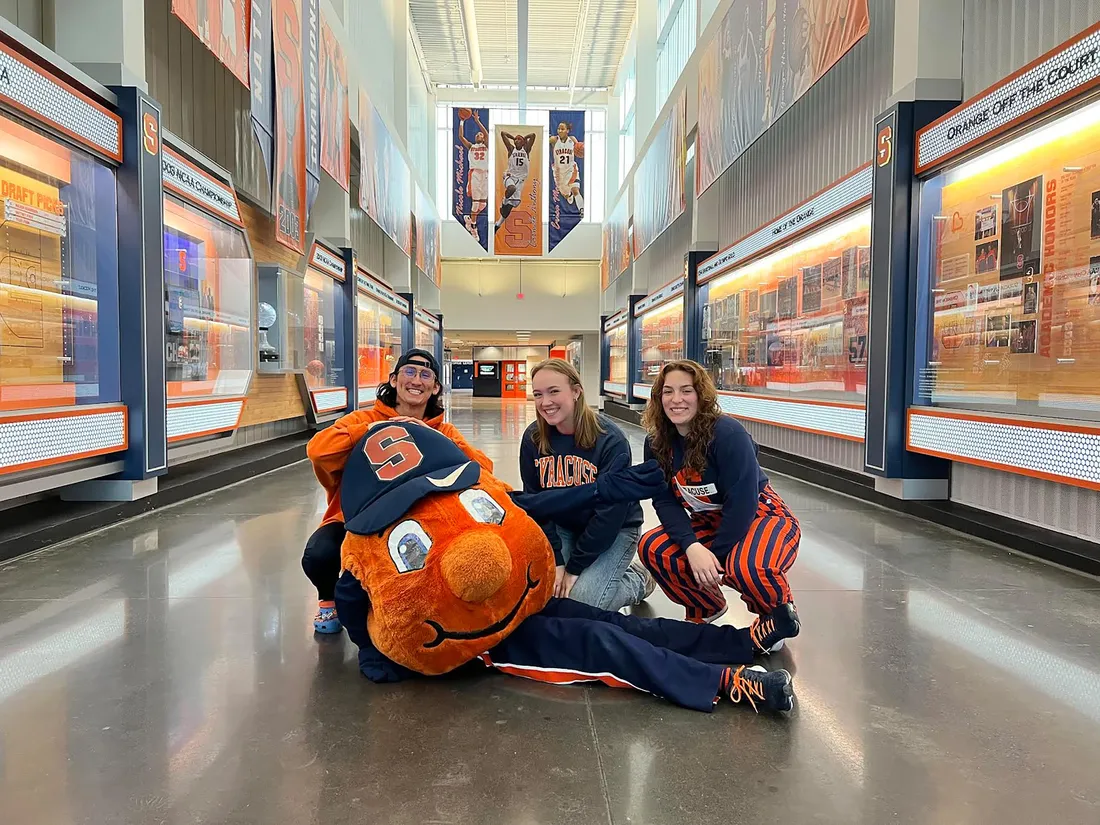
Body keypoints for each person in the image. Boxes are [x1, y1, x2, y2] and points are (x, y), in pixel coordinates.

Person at [303, 349, 492, 634]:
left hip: (421, 524)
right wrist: (373, 429)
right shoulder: (362, 419)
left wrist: (437, 439)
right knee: (320, 553)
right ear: (393, 380)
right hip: (358, 518)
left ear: (436, 387)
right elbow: (318, 451)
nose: (417, 380)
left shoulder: (445, 430)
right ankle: (327, 600)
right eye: (410, 372)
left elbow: (484, 471)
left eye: (426, 375)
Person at [637, 360, 801, 653]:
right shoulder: (656, 443)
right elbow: (663, 500)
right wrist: (691, 547)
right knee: (653, 546)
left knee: (748, 567)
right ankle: (706, 606)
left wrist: (716, 556)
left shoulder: (728, 434)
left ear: (701, 395)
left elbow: (742, 502)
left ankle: (776, 615)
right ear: (658, 398)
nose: (677, 400)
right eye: (668, 392)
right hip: (708, 520)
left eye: (686, 391)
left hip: (761, 515)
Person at [519, 359, 654, 612]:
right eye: (538, 394)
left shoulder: (610, 440)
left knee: (581, 604)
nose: (545, 402)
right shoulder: (533, 438)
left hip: (614, 531)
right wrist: (557, 561)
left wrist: (574, 568)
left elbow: (610, 514)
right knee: (545, 596)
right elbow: (535, 502)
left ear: (576, 391)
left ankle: (638, 580)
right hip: (563, 527)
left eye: (554, 391)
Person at [457, 111, 488, 238]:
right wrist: (462, 121)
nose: (479, 135)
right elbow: (461, 137)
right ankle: (473, 227)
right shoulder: (471, 146)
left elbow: (486, 133)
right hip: (474, 173)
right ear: (475, 138)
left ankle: (470, 218)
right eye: (477, 134)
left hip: (485, 174)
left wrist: (477, 121)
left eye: (480, 134)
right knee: (475, 203)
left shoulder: (486, 145)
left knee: (483, 204)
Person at [549, 121, 584, 216]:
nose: (560, 130)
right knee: (565, 194)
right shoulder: (554, 140)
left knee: (575, 190)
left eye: (562, 129)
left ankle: (582, 210)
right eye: (558, 129)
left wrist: (581, 150)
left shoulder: (572, 139)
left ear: (567, 130)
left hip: (571, 169)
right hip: (559, 173)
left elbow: (579, 148)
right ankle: (568, 195)